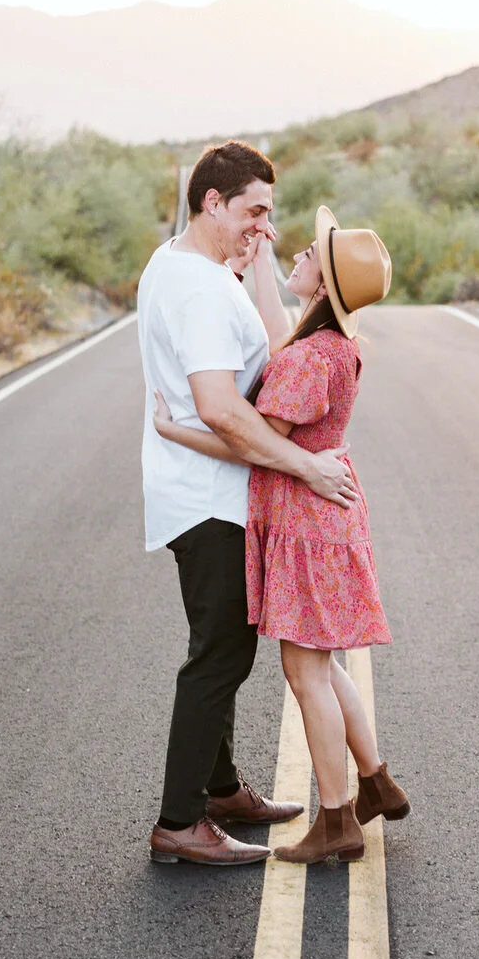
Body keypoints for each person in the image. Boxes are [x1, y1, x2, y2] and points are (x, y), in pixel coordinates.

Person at [153, 205, 410, 865]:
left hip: (305, 524)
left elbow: (259, 444)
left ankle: (336, 821)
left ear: (321, 285)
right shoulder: (335, 344)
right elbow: (280, 333)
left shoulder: (305, 361)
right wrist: (262, 262)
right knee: (322, 661)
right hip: (326, 519)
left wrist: (173, 429)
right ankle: (375, 781)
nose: (291, 252)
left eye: (303, 256)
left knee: (306, 672)